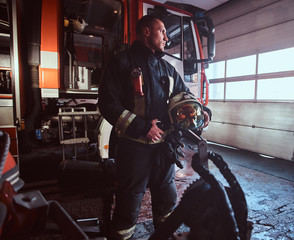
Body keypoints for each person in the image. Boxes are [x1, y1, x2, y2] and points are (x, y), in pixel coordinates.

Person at [98, 15, 211, 240]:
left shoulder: (167, 69)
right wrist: (142, 127)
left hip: (165, 149)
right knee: (128, 203)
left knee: (167, 200)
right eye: (162, 32)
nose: (167, 38)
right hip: (134, 149)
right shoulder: (122, 62)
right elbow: (107, 103)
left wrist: (203, 111)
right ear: (147, 32)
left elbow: (185, 96)